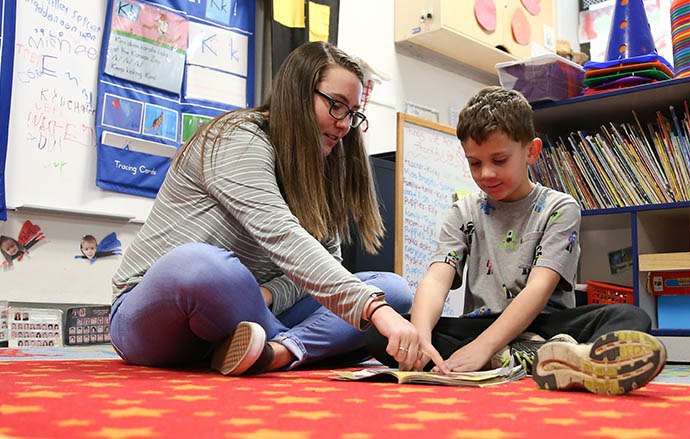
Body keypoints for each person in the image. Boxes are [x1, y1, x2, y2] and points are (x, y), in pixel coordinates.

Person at [109, 41, 448, 377]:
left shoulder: (323, 167)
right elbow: (283, 237)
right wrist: (375, 312)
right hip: (158, 316)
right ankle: (293, 343)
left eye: (353, 113)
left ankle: (276, 352)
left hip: (245, 316)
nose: (345, 125)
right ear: (298, 93)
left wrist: (270, 294)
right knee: (200, 266)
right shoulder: (237, 138)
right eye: (337, 105)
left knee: (393, 288)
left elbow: (324, 266)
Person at [365, 87, 666, 395]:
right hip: (482, 325)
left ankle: (547, 356)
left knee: (631, 316)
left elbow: (538, 290)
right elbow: (436, 280)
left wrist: (483, 347)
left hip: (546, 326)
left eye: (499, 159)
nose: (487, 173)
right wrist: (421, 338)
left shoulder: (560, 208)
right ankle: (525, 359)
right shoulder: (463, 211)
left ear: (531, 152)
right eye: (475, 163)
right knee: (383, 329)